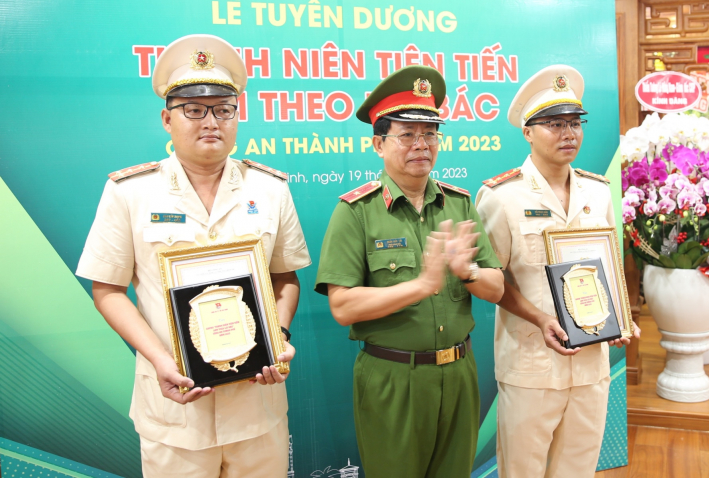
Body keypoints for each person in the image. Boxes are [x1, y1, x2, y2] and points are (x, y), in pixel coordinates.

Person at [76, 34, 311, 477]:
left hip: (256, 406)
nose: (211, 122)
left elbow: (286, 279)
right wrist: (161, 361)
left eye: (224, 109)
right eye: (194, 109)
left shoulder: (271, 189)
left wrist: (276, 336)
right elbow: (107, 290)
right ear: (167, 118)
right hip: (174, 409)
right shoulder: (130, 192)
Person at [314, 65, 504, 478]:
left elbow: (497, 287)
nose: (422, 145)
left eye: (430, 134)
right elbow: (343, 306)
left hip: (458, 373)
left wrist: (466, 271)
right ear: (378, 143)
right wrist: (421, 286)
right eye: (407, 135)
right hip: (393, 378)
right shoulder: (356, 213)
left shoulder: (459, 204)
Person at [476, 65, 641, 478]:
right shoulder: (501, 197)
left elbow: (607, 266)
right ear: (527, 132)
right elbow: (492, 280)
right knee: (522, 471)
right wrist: (541, 319)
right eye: (553, 124)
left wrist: (622, 315)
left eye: (574, 123)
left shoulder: (598, 189)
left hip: (591, 361)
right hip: (531, 362)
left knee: (578, 468)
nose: (569, 134)